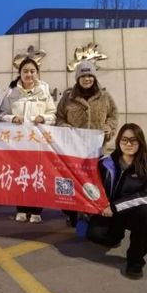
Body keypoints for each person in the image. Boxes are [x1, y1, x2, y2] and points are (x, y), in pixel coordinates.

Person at [93, 123, 147, 279]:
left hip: (133, 214)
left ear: (141, 142)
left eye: (133, 140)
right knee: (93, 234)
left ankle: (135, 261)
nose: (128, 144)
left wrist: (115, 207)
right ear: (118, 141)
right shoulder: (105, 162)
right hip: (109, 212)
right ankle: (114, 236)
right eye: (124, 140)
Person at [56, 60, 118, 227]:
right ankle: (71, 212)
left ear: (94, 77)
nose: (87, 79)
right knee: (71, 182)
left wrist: (109, 127)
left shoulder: (105, 97)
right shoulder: (68, 97)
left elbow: (113, 116)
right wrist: (64, 127)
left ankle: (91, 212)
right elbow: (59, 117)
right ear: (78, 78)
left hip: (96, 150)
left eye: (90, 75)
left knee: (94, 182)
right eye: (83, 76)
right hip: (73, 150)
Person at [0, 57, 56, 223]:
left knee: (37, 176)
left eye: (32, 71)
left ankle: (36, 210)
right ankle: (21, 208)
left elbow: (53, 115)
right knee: (20, 175)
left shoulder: (44, 91)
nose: (29, 74)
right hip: (19, 143)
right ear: (20, 73)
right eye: (25, 71)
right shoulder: (12, 93)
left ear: (37, 73)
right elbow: (1, 115)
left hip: (38, 142)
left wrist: (43, 118)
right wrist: (12, 118)